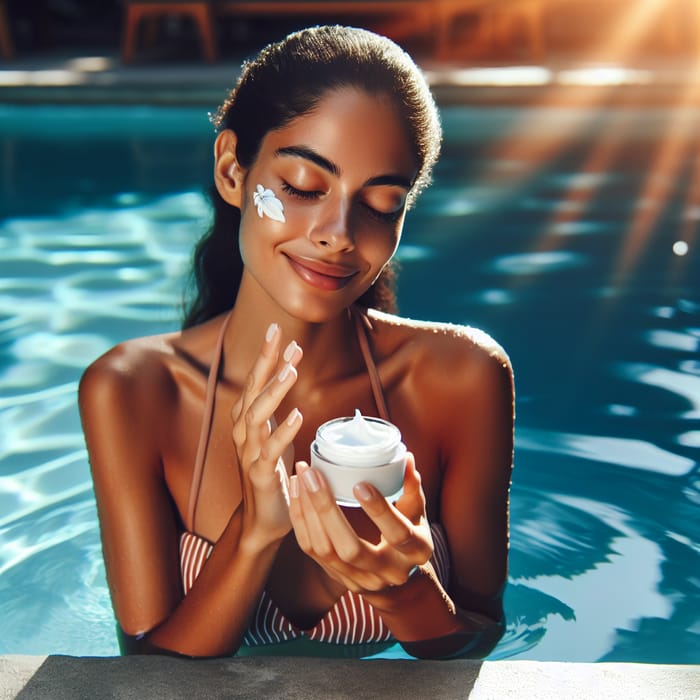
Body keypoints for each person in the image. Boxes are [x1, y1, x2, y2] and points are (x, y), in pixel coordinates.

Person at [79, 25, 514, 660]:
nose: (338, 233)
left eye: (382, 203)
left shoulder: (462, 376)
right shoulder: (135, 390)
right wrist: (254, 531)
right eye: (304, 188)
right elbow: (147, 669)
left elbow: (480, 638)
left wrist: (405, 592)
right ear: (233, 170)